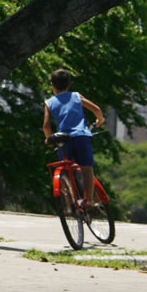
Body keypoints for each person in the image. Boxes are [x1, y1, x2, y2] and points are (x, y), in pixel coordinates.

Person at [43, 69, 105, 208]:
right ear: (69, 84)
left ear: (52, 85)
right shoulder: (76, 96)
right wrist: (100, 120)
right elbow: (96, 109)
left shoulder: (49, 102)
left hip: (63, 140)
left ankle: (70, 202)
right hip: (81, 136)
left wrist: (48, 139)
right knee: (87, 168)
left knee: (65, 169)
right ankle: (88, 199)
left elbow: (46, 126)